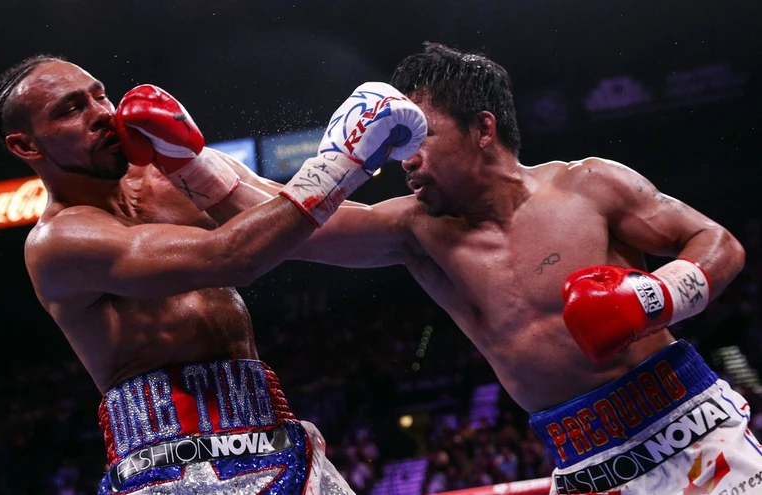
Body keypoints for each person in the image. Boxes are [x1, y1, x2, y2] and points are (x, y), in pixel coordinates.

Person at [225, 43, 762, 494]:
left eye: (419, 138)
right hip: (586, 467)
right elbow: (291, 221)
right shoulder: (416, 229)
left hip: (696, 432)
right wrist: (196, 163)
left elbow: (718, 243)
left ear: (482, 128)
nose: (405, 159)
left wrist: (656, 297)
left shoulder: (589, 185)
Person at [0, 54, 426, 494]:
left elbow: (319, 229)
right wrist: (342, 160)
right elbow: (230, 256)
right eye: (70, 109)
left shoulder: (172, 173)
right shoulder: (59, 242)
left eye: (99, 96)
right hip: (167, 469)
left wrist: (430, 215)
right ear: (26, 146)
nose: (101, 113)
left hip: (277, 439)